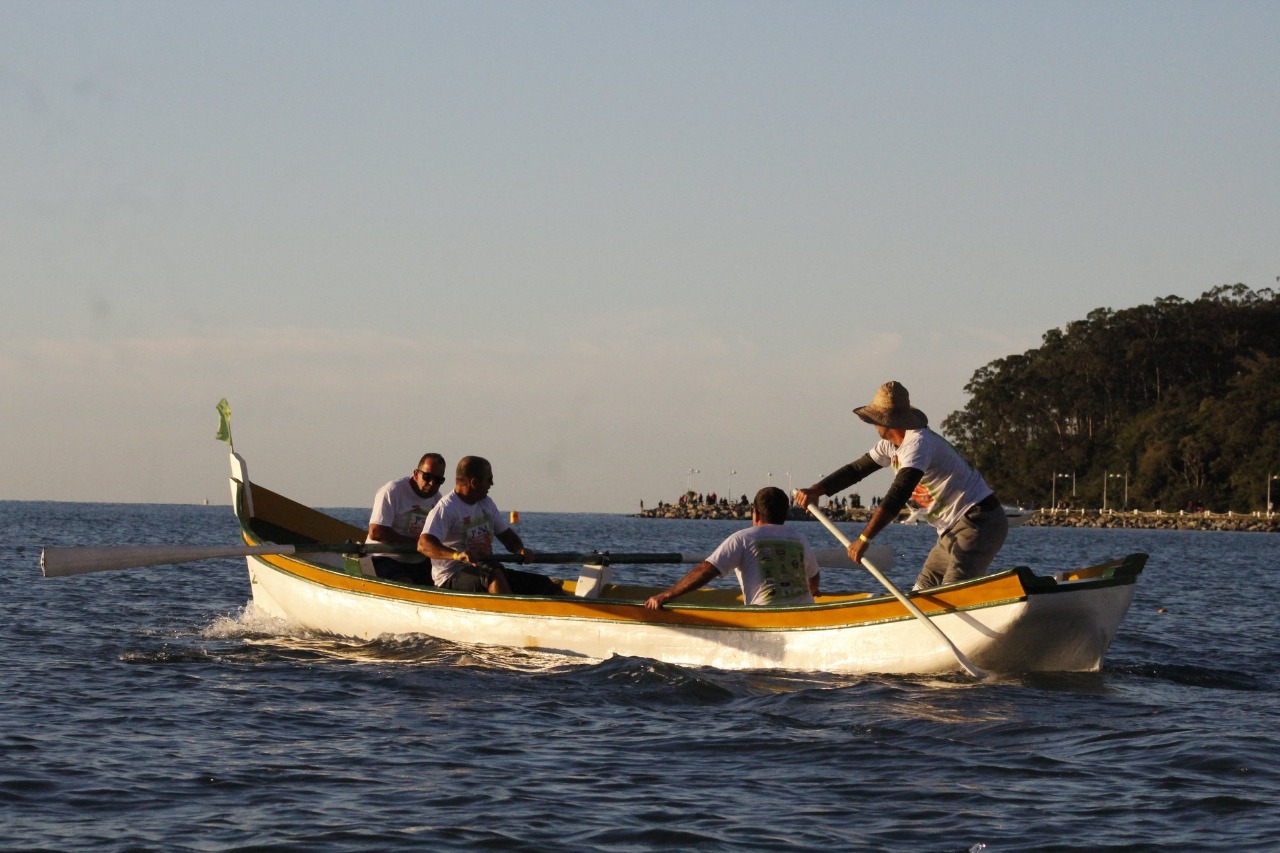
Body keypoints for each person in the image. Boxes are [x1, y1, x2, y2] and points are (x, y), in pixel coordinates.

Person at [795, 381, 1008, 590]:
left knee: (951, 593)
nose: (874, 425)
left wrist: (863, 538)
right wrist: (816, 490)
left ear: (885, 421)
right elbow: (856, 470)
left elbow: (898, 494)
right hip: (949, 531)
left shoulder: (917, 445)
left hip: (979, 521)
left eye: (875, 420)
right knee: (922, 592)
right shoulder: (890, 445)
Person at [645, 486, 820, 609]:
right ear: (785, 514)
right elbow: (814, 578)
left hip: (765, 615)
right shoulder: (800, 539)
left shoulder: (742, 539)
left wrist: (666, 595)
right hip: (803, 612)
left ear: (756, 513)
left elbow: (706, 571)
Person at [418, 456, 562, 595]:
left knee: (545, 584)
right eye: (489, 479)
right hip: (451, 575)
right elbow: (423, 545)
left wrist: (520, 549)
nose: (491, 484)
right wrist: (456, 555)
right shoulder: (446, 508)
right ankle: (507, 614)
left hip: (486, 569)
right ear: (474, 482)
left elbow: (506, 535)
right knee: (493, 574)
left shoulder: (486, 503)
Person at [365, 453, 447, 584]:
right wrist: (414, 543)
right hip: (384, 557)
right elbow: (376, 532)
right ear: (416, 474)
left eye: (438, 480)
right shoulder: (392, 491)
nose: (432, 483)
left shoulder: (437, 499)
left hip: (418, 561)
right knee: (405, 582)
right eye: (427, 477)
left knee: (445, 580)